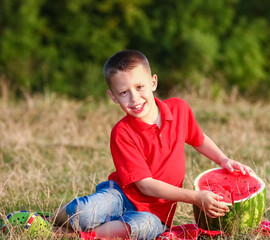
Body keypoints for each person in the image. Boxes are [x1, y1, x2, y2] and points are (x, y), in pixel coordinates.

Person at [53, 49, 253, 239]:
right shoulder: (122, 132)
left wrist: (224, 159)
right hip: (120, 195)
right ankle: (53, 219)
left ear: (153, 82)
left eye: (140, 87)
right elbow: (145, 186)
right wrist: (195, 197)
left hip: (158, 213)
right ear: (113, 97)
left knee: (145, 227)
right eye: (123, 92)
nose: (134, 98)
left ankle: (75, 235)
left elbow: (198, 139)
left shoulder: (179, 109)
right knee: (85, 213)